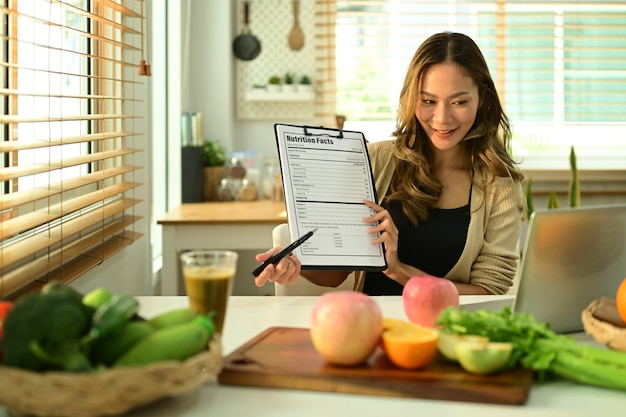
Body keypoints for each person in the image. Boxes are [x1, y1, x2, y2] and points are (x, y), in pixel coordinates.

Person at [254, 31, 525, 296]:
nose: (442, 118)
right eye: (428, 101)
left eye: (459, 102)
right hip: (372, 324)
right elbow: (335, 275)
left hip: (451, 329)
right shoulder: (374, 161)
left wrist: (398, 270)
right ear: (411, 98)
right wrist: (296, 262)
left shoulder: (499, 185)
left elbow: (489, 292)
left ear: (483, 99)